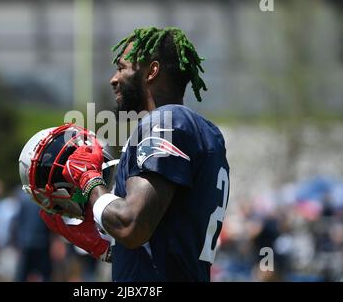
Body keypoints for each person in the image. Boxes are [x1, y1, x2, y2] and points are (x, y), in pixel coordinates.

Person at [40, 27, 230, 281]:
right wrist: (102, 235)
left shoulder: (166, 121)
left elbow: (133, 226)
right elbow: (161, 234)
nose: (113, 79)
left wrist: (90, 182)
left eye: (122, 67)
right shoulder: (207, 132)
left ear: (151, 71)